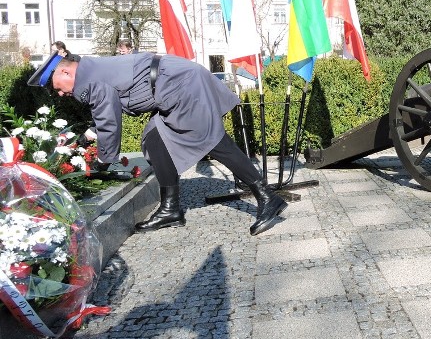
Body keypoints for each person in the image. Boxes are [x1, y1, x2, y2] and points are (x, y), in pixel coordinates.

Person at [27, 51, 286, 236]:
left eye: (55, 87)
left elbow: (108, 121)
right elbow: (110, 110)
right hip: (172, 85)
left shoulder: (87, 80)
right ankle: (171, 209)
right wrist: (87, 137)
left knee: (215, 143)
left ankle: (267, 197)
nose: (60, 93)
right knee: (155, 140)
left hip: (180, 87)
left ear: (63, 70)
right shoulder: (90, 71)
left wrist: (104, 161)